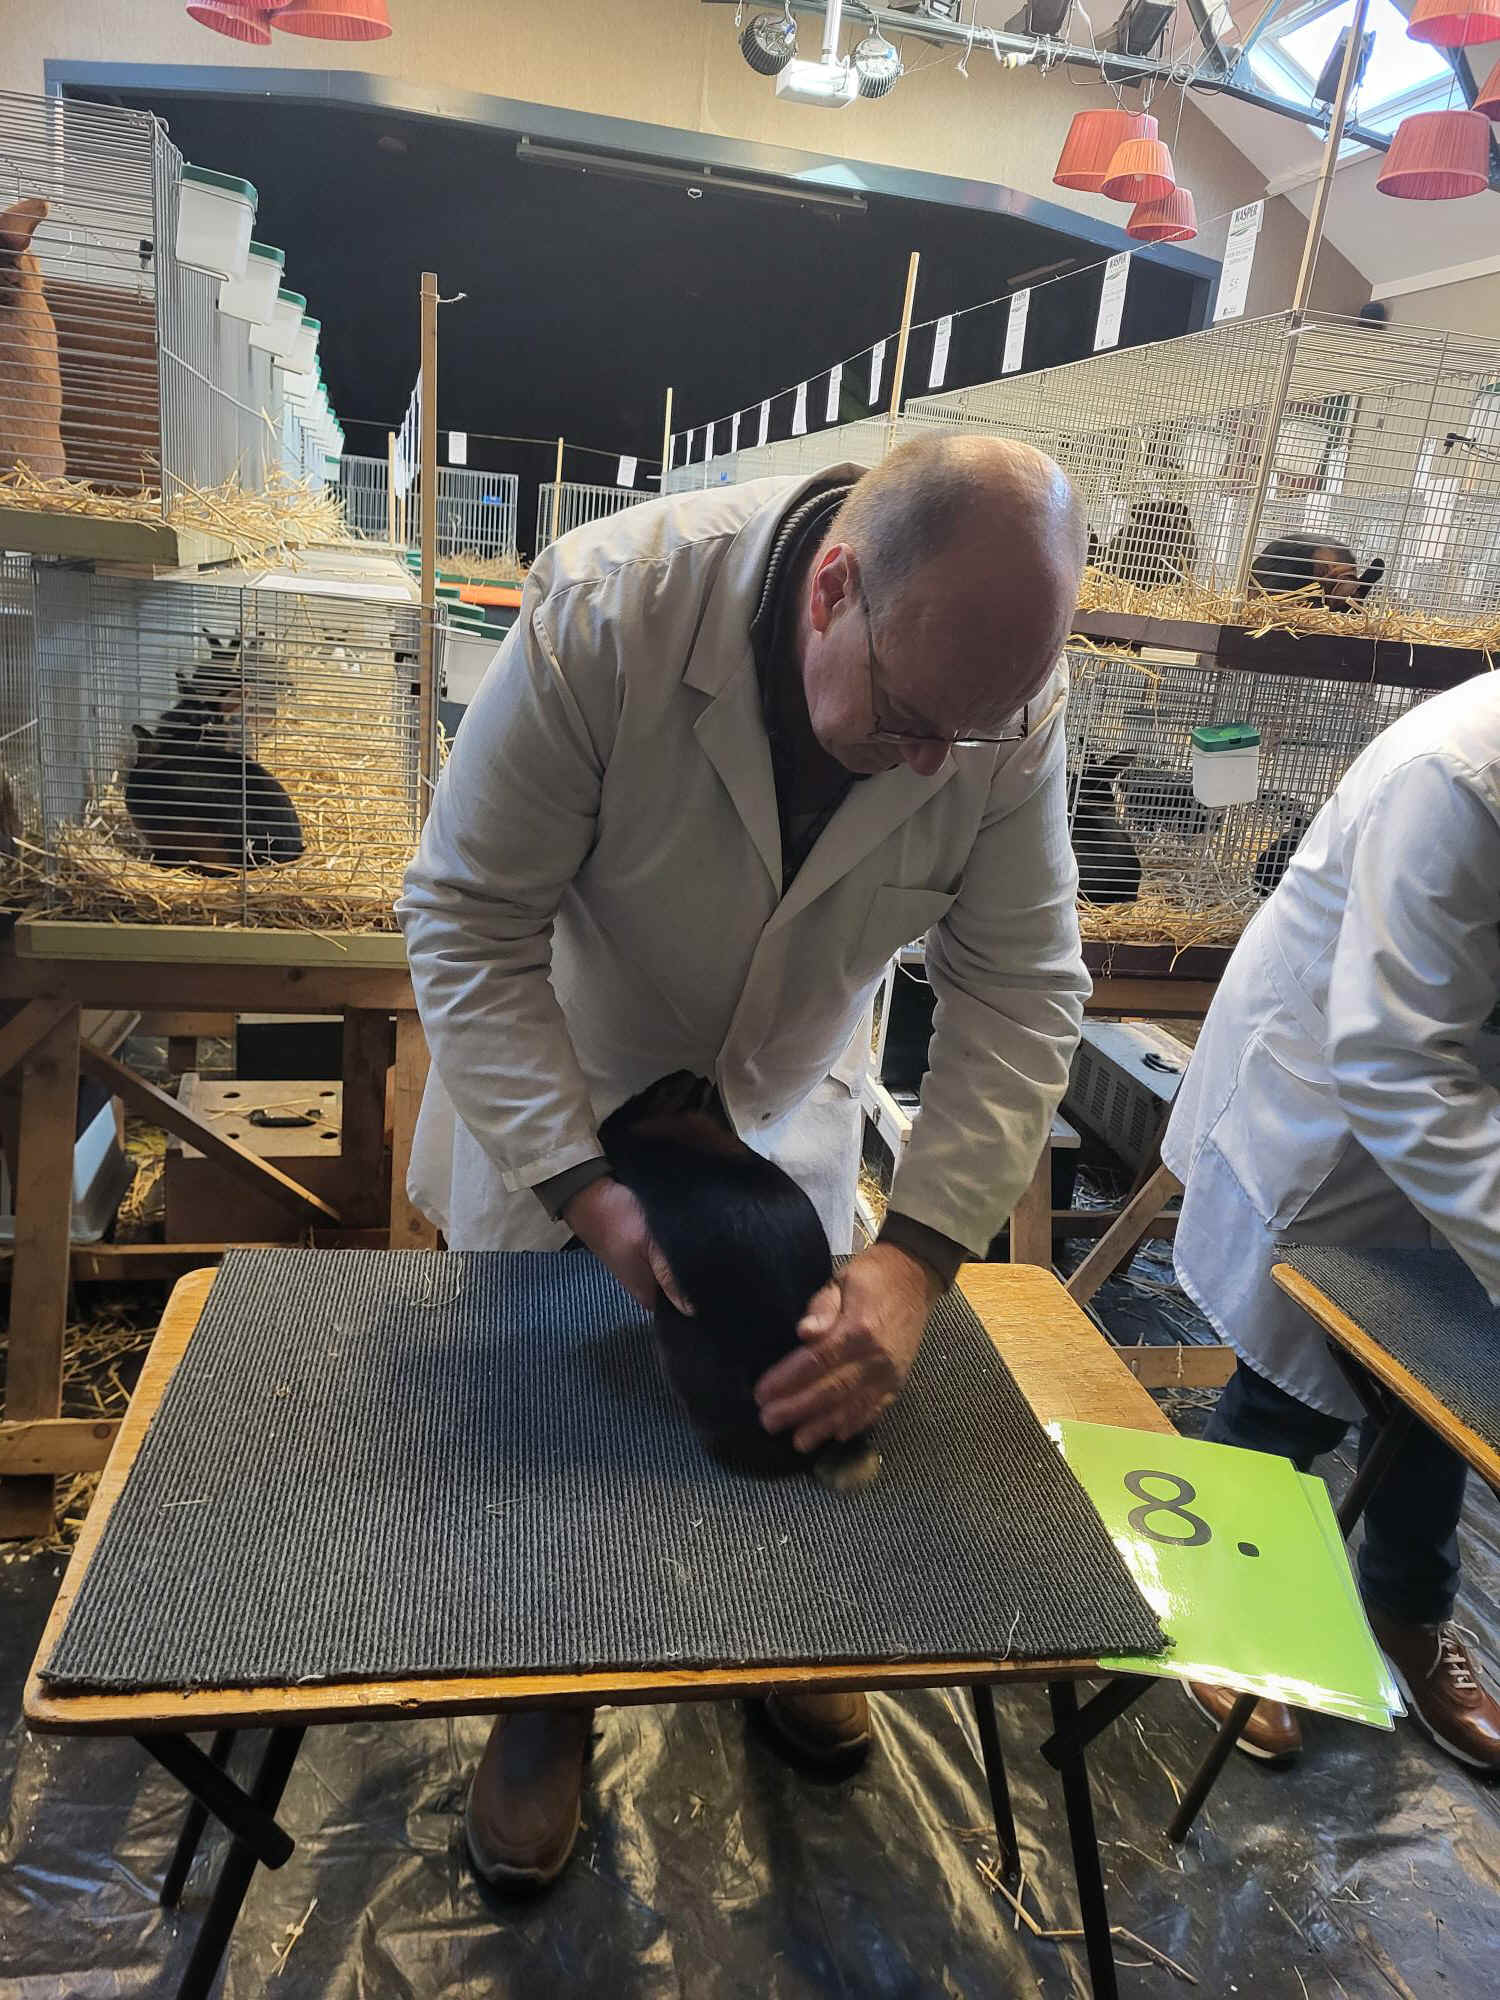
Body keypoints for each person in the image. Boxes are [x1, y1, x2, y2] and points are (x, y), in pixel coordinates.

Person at [397, 435, 1092, 1889]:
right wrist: (579, 1186)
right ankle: (547, 1690)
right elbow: (466, 916)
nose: (932, 763)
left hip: (782, 1086)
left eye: (967, 736)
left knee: (788, 1378)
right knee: (554, 1416)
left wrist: (918, 1258)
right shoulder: (609, 610)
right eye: (910, 718)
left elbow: (1023, 989)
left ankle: (787, 1633)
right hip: (577, 1058)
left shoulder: (991, 705)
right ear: (830, 589)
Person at [1163, 670, 1500, 1771]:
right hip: (1338, 1099)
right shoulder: (1456, 777)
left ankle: (1408, 1613)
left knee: (1442, 1373)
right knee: (1297, 1379)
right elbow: (1396, 1062)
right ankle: (1219, 1605)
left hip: (1458, 1100)